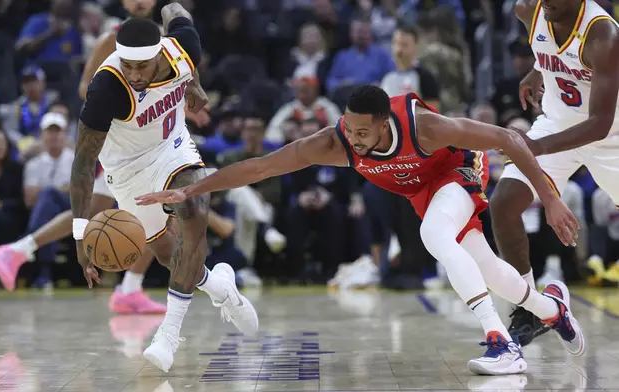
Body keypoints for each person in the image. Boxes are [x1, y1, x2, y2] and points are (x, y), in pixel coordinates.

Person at [136, 85, 584, 375]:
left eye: (363, 132)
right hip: (424, 191)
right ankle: (551, 309)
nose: (354, 139)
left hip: (458, 172)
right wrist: (191, 190)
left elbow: (510, 139)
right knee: (484, 267)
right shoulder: (336, 143)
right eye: (349, 129)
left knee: (434, 236)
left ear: (385, 123)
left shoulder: (423, 127)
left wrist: (551, 198)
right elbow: (261, 167)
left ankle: (500, 341)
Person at [69, 5, 258, 373]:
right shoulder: (108, 87)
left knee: (195, 209)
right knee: (168, 255)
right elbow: (81, 164)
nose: (135, 75)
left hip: (172, 146)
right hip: (125, 169)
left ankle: (169, 335)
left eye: (142, 66)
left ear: (161, 52)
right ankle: (219, 286)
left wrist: (194, 83)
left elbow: (175, 9)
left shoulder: (183, 48)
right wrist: (80, 235)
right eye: (128, 65)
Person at [0, 0, 168, 314]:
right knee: (161, 214)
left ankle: (17, 250)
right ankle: (129, 289)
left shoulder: (164, 37)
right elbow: (87, 87)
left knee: (94, 211)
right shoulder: (111, 39)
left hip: (150, 138)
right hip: (126, 137)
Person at [490, 0, 619, 347]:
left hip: (610, 136)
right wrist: (539, 68)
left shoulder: (603, 35)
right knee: (503, 204)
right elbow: (546, 44)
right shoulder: (530, 11)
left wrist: (536, 148)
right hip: (556, 123)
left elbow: (599, 125)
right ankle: (528, 307)